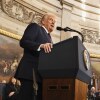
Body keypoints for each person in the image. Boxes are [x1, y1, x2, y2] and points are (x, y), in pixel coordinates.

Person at [14, 13, 56, 100]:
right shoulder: (36, 27)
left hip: (42, 75)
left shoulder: (50, 38)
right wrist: (40, 46)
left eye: (55, 21)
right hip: (30, 72)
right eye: (51, 19)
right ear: (43, 21)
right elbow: (24, 42)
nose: (53, 22)